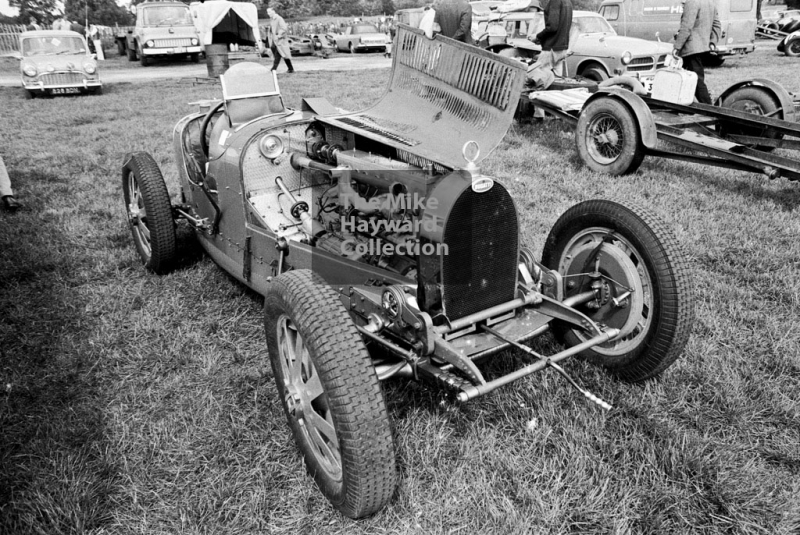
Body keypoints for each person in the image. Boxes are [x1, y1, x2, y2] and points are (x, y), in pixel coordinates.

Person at [673, 0, 721, 104]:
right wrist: (712, 42)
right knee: (691, 78)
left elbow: (686, 27)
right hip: (703, 47)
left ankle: (708, 107)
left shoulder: (692, 2)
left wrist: (677, 47)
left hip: (691, 48)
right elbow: (717, 25)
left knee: (696, 80)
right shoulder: (710, 2)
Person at [525, 0, 573, 89]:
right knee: (556, 83)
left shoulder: (555, 1)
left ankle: (535, 102)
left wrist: (537, 36)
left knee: (535, 80)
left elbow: (552, 27)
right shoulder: (568, 2)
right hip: (562, 47)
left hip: (551, 48)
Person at [266, 7, 295, 74]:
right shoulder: (272, 20)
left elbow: (284, 28)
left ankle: (273, 69)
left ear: (273, 11)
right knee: (283, 54)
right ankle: (291, 69)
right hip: (275, 41)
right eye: (267, 12)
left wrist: (278, 35)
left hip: (280, 40)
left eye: (269, 12)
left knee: (278, 54)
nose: (268, 13)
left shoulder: (279, 18)